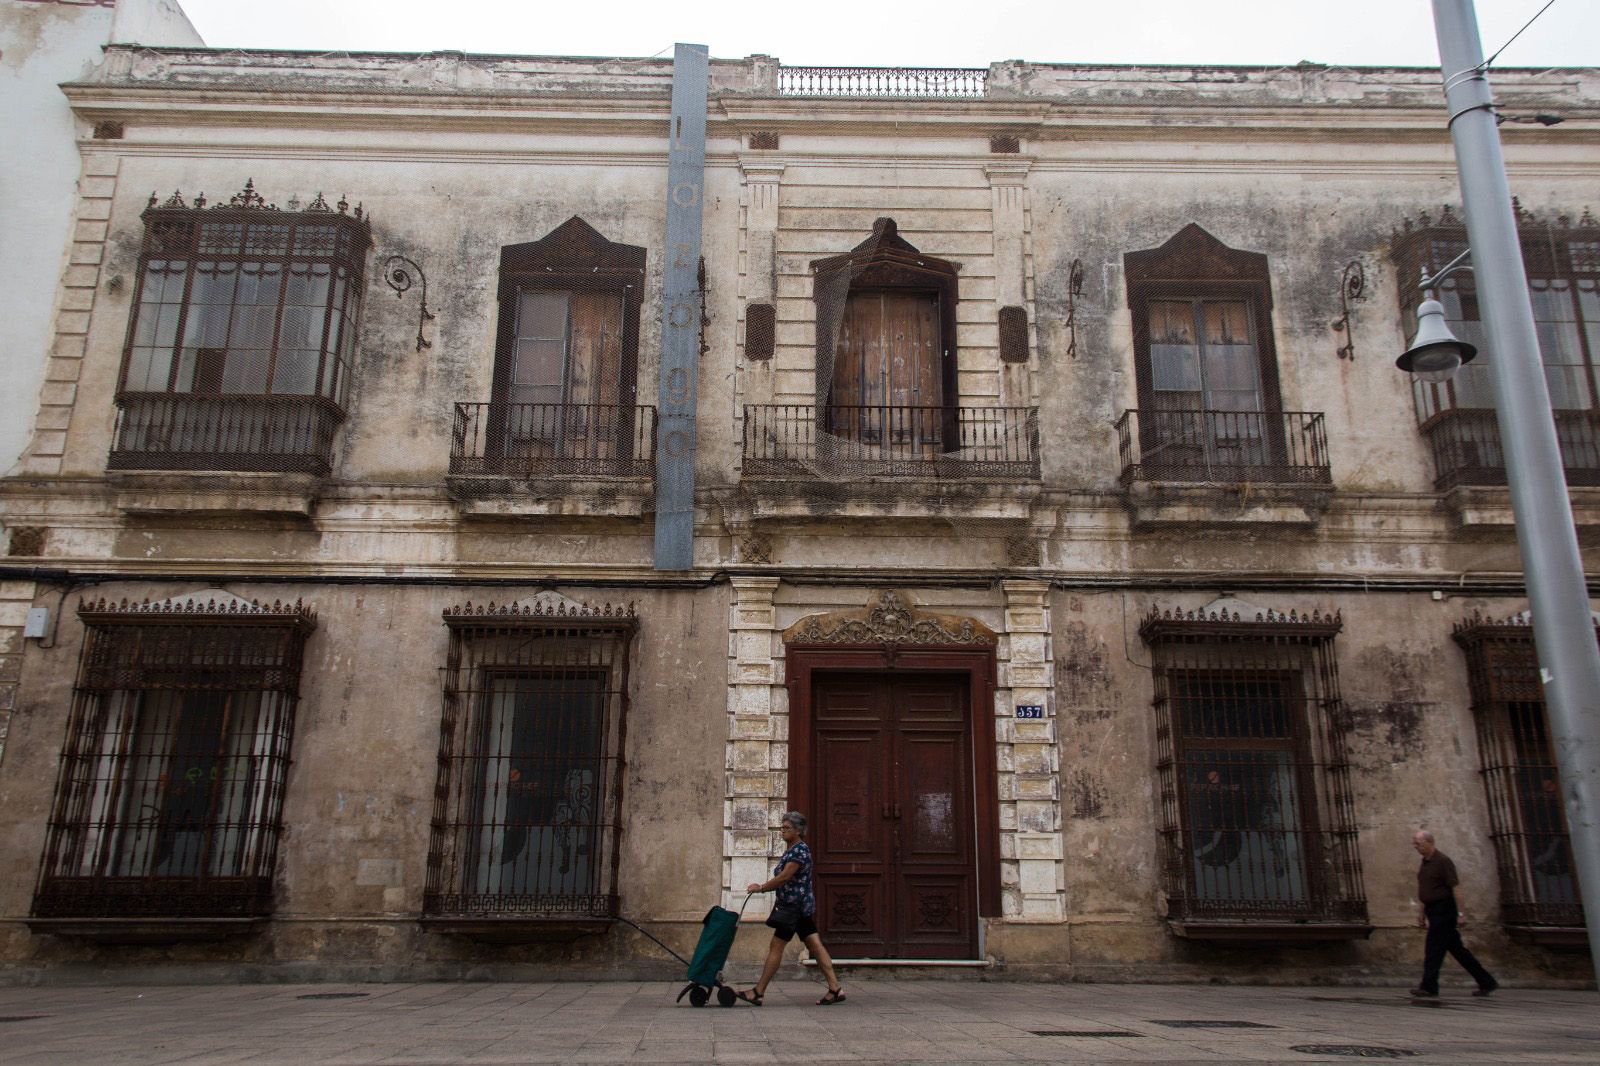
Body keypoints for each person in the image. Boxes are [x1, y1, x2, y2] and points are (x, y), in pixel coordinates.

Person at [737, 811, 845, 1006]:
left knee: (776, 946)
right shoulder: (793, 849)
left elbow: (784, 877)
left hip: (793, 908)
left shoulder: (798, 852)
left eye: (787, 828)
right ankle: (835, 988)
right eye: (782, 827)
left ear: (798, 830)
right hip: (798, 907)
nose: (783, 831)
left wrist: (761, 888)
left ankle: (758, 991)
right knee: (815, 945)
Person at [1410, 829, 1498, 999]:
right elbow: (1425, 890)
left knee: (1433, 949)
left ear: (1429, 842)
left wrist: (1461, 913)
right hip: (1432, 909)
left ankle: (1429, 986)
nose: (1415, 847)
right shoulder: (1425, 863)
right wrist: (1421, 913)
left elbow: (1455, 888)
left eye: (1418, 843)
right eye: (1415, 843)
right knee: (1458, 951)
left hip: (1444, 910)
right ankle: (1486, 981)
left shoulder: (1443, 861)